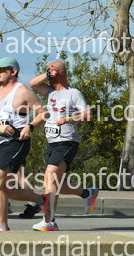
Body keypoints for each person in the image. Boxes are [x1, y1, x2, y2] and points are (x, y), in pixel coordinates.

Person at [26, 61, 96, 231]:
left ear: (60, 72)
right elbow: (33, 83)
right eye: (47, 70)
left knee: (50, 177)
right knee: (54, 182)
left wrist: (69, 118)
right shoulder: (49, 91)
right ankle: (87, 193)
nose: (48, 72)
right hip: (52, 142)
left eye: (51, 69)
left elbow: (88, 115)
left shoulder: (74, 93)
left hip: (67, 141)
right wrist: (47, 74)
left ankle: (49, 220)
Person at [0, 57, 52, 231]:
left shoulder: (23, 92)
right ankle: (42, 200)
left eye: (1, 69)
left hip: (16, 141)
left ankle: (3, 226)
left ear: (13, 71)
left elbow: (44, 113)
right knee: (3, 189)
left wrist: (30, 126)